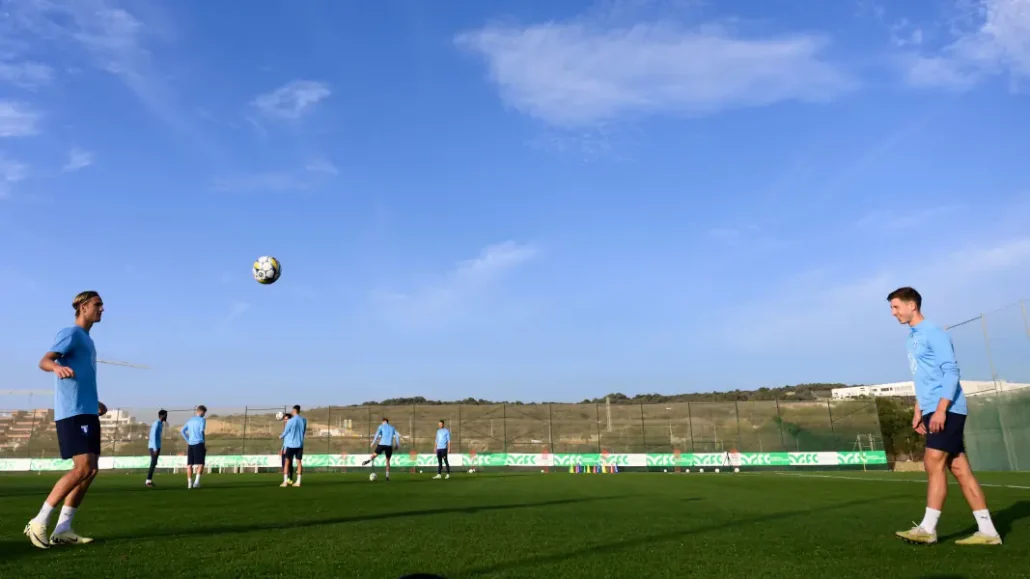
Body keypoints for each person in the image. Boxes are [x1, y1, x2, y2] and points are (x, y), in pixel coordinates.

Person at [888, 287, 1002, 545]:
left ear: (911, 305)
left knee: (933, 460)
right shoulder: (911, 338)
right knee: (959, 468)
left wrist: (941, 409)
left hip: (948, 408)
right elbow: (925, 377)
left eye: (896, 307)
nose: (893, 313)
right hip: (931, 408)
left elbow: (950, 372)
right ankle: (988, 532)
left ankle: (928, 528)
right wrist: (919, 408)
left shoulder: (935, 333)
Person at [24, 291, 106, 549]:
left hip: (87, 410)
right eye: (97, 305)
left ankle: (63, 528)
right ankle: (39, 521)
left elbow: (82, 377)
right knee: (82, 467)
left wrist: (95, 403)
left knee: (91, 470)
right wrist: (57, 367)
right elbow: (45, 360)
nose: (102, 309)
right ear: (83, 307)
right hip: (72, 412)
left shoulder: (88, 340)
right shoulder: (71, 333)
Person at [280, 405, 307, 487]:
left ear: (294, 411)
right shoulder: (304, 420)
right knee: (299, 462)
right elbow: (303, 431)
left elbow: (286, 431)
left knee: (287, 462)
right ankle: (298, 482)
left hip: (291, 444)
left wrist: (281, 436)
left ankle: (285, 481)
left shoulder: (290, 421)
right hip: (300, 444)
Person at [181, 405, 207, 489]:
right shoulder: (202, 420)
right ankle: (196, 482)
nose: (204, 414)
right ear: (201, 411)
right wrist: (203, 442)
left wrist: (188, 440)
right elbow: (201, 431)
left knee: (189, 464)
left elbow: (182, 431)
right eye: (204, 413)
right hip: (199, 443)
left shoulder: (190, 420)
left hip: (190, 444)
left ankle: (189, 483)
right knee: (201, 463)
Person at [145, 409, 168, 487]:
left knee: (154, 463)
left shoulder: (161, 424)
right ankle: (148, 481)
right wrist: (155, 448)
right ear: (162, 416)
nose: (166, 416)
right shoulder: (156, 423)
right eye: (165, 415)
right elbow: (153, 435)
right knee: (153, 462)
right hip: (153, 446)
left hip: (157, 446)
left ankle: (149, 480)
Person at [279, 412, 294, 485]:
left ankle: (289, 479)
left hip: (290, 447)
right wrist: (282, 448)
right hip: (285, 448)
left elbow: (290, 439)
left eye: (287, 419)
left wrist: (287, 447)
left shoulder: (291, 428)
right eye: (284, 419)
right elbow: (285, 440)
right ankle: (288, 478)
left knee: (288, 464)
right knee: (284, 464)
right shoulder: (286, 428)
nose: (285, 421)